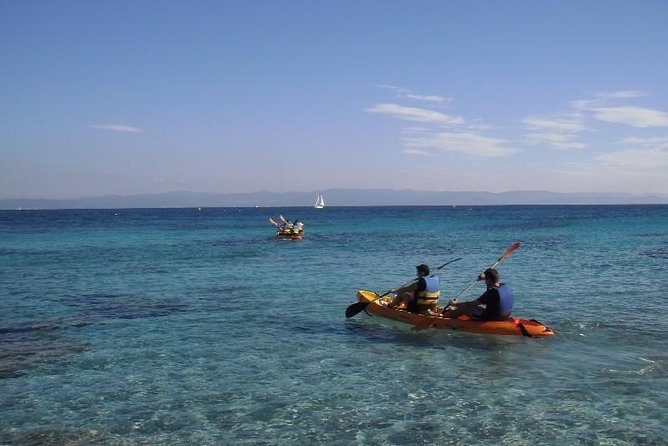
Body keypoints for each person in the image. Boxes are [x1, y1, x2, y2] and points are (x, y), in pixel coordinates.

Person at [441, 268, 513, 320]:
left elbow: (472, 304)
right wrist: (485, 278)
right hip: (504, 316)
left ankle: (443, 318)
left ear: (488, 279)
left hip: (490, 318)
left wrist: (455, 304)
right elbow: (491, 286)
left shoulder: (491, 292)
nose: (484, 282)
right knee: (480, 307)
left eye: (485, 280)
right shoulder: (504, 286)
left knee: (463, 308)